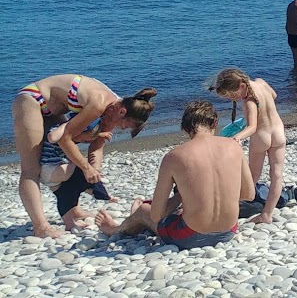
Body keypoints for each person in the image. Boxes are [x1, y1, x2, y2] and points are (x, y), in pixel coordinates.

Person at [95, 100, 253, 249]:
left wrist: (181, 196)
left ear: (185, 129)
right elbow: (248, 194)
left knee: (144, 210)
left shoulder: (175, 156)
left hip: (190, 236)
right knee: (184, 209)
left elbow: (157, 215)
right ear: (215, 123)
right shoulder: (234, 147)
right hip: (228, 231)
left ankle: (114, 229)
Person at [11, 77, 156, 237]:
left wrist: (94, 173)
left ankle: (74, 210)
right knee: (31, 168)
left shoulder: (111, 111)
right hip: (32, 99)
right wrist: (85, 167)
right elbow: (64, 139)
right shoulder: (99, 104)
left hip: (51, 110)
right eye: (124, 125)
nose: (121, 128)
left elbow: (97, 148)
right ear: (122, 112)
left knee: (69, 162)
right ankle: (41, 227)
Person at [210, 68, 287, 223]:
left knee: (252, 177)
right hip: (278, 132)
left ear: (242, 86)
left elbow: (251, 127)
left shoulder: (249, 101)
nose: (235, 99)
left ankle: (230, 210)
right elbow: (274, 95)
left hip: (261, 137)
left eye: (233, 95)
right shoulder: (261, 82)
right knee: (277, 175)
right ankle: (267, 214)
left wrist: (235, 138)